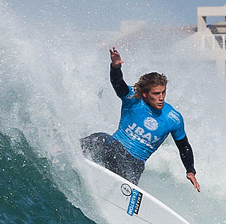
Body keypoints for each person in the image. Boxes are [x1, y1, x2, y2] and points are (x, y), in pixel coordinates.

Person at [81, 47, 200, 191]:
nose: (161, 97)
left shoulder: (173, 118)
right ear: (144, 94)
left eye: (163, 92)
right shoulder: (133, 99)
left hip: (134, 163)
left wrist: (190, 170)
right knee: (100, 138)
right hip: (114, 146)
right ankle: (67, 152)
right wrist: (115, 67)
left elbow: (184, 146)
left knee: (128, 179)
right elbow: (118, 83)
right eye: (156, 93)